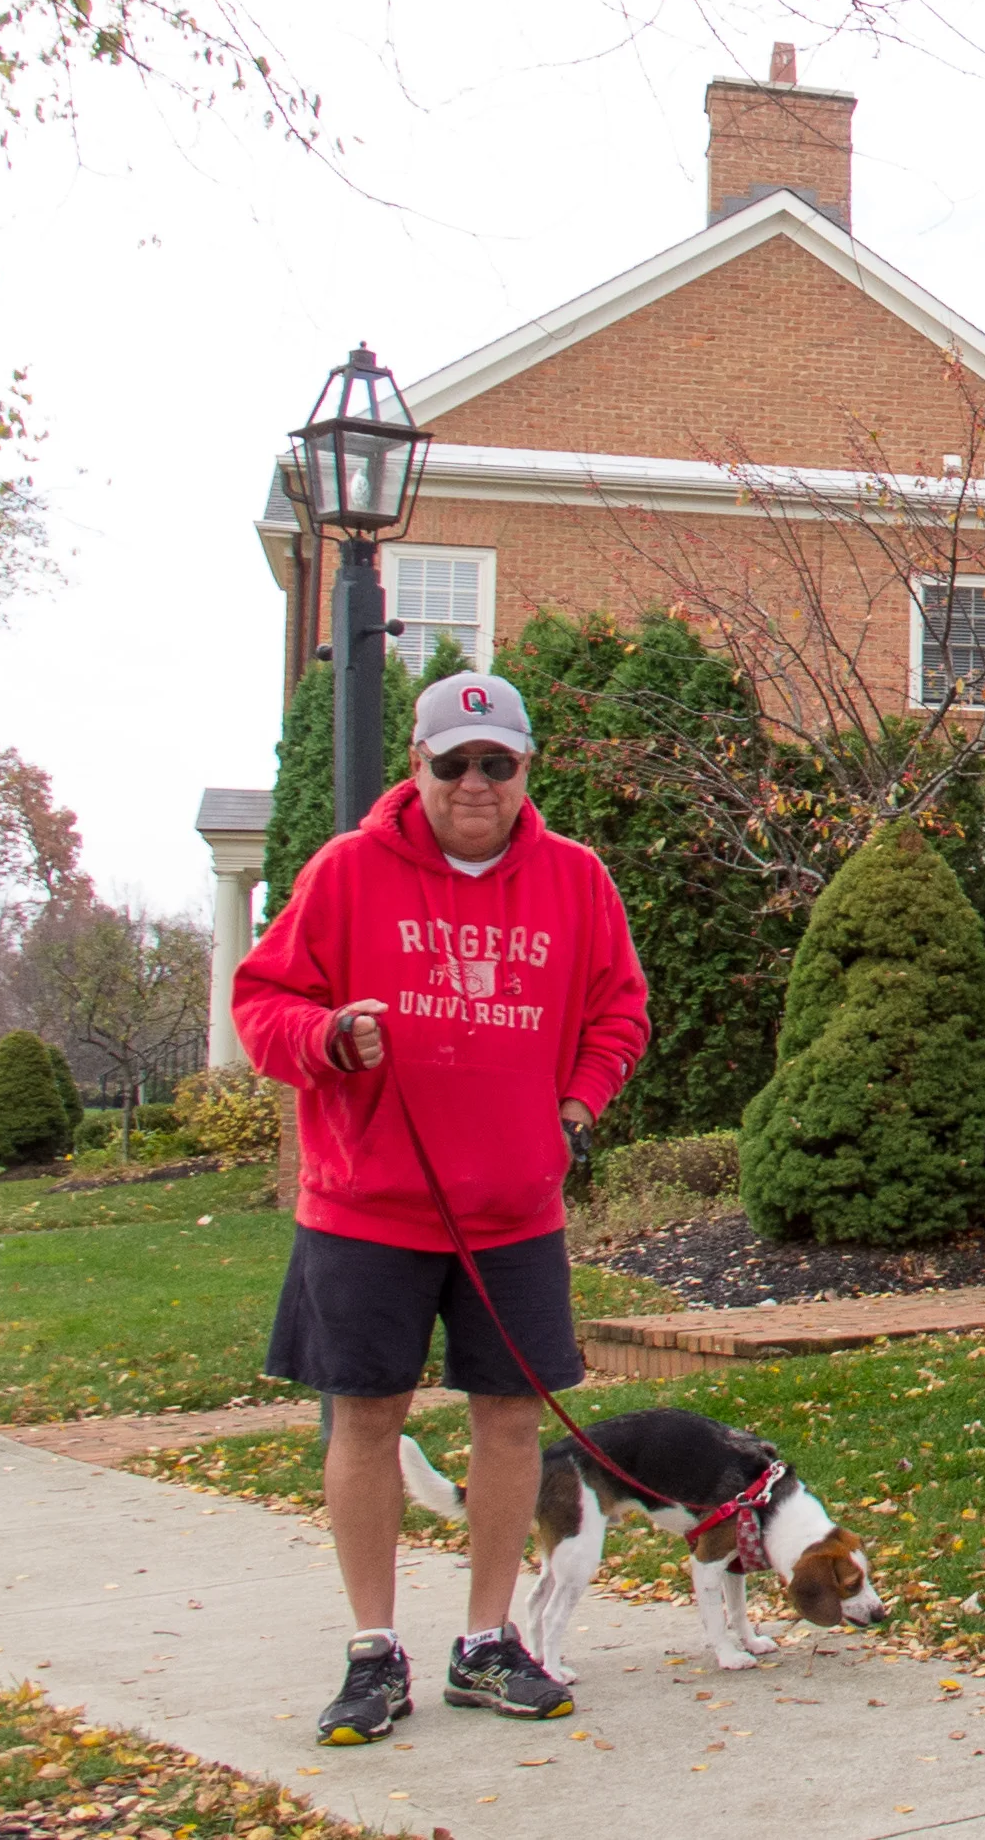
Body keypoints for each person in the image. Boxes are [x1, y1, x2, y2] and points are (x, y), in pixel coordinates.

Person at [234, 670, 650, 1746]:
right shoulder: (347, 872)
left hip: (513, 1211)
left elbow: (619, 1010)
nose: (475, 782)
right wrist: (327, 1039)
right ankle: (374, 1652)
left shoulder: (575, 880)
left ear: (525, 770)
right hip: (365, 1208)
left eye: (495, 763)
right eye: (452, 763)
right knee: (364, 1417)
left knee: (510, 1419)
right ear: (415, 768)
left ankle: (485, 1644)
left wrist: (574, 1107)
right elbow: (263, 1000)